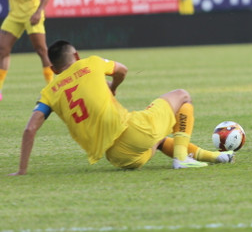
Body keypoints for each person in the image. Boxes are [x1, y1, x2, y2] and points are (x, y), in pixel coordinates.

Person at [9, 40, 235, 175]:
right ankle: (181, 160)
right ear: (76, 56)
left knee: (158, 139)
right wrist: (113, 87)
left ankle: (214, 156)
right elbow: (123, 70)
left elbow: (30, 129)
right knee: (182, 96)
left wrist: (22, 170)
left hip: (119, 158)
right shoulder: (90, 62)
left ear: (54, 69)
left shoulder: (50, 91)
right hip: (134, 134)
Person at [0, 0, 52, 100]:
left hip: (31, 15)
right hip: (14, 16)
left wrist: (39, 11)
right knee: (2, 50)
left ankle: (52, 88)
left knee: (41, 50)